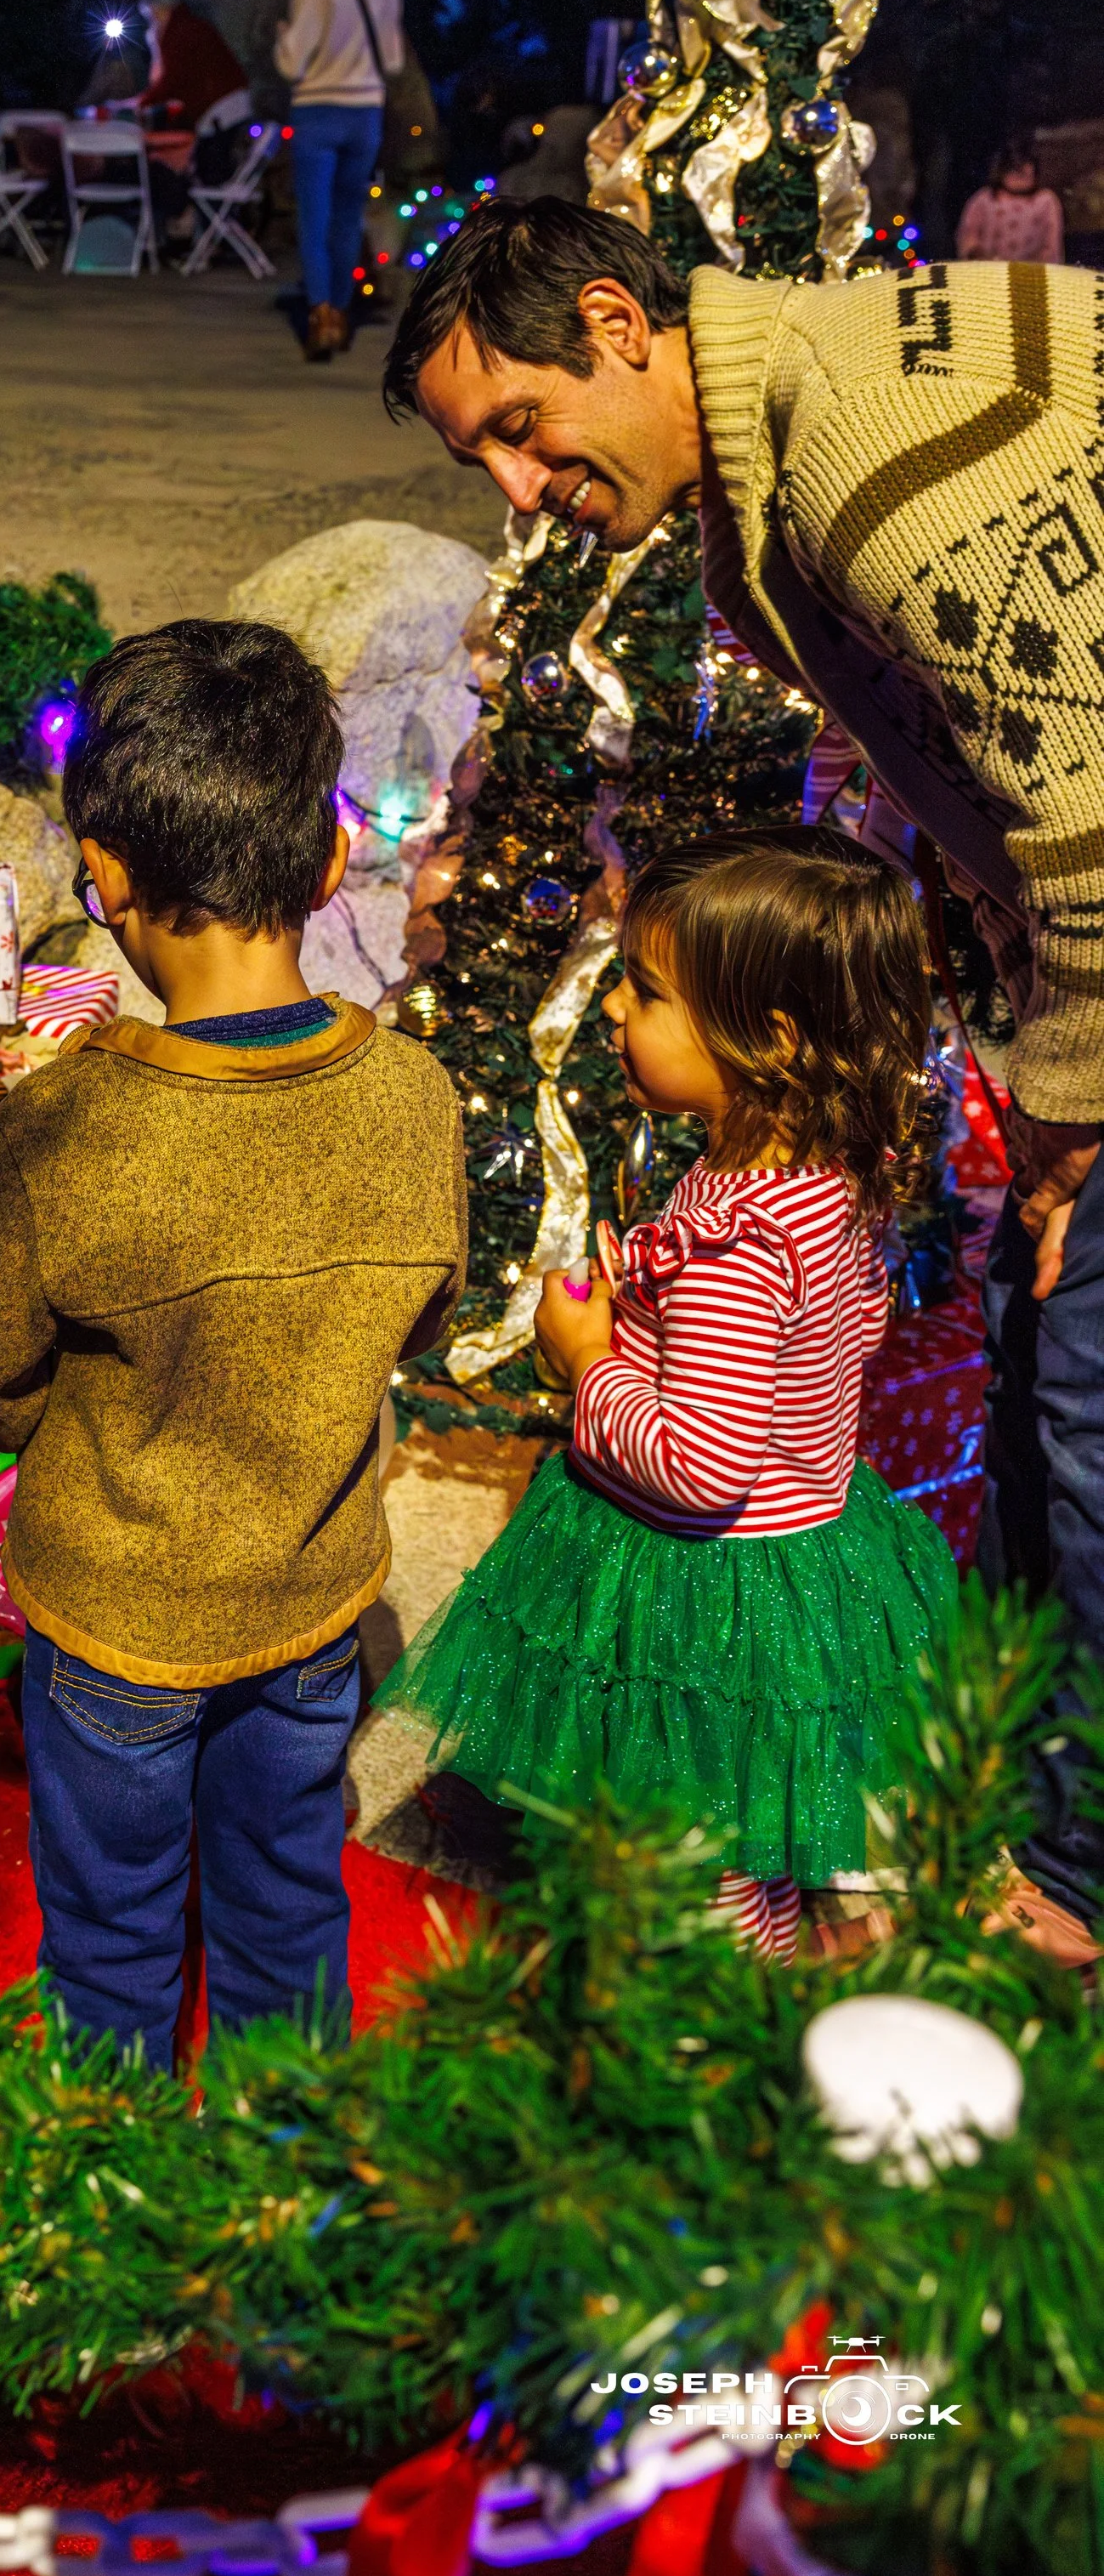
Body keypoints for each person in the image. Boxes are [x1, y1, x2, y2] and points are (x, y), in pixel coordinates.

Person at [384, 193, 1104, 1967]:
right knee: (1049, 1385)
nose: (512, 487)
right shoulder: (783, 449)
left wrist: (1067, 1117)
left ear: (620, 324)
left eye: (517, 424)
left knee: (1083, 1399)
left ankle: (1073, 1877)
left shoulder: (869, 472)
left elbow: (1088, 828)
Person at [0, 621, 467, 2066]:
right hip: (310, 1603)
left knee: (111, 1927)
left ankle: (119, 2209)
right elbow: (427, 1309)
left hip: (117, 1621)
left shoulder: (67, 1123)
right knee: (288, 1901)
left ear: (102, 874)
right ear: (333, 857)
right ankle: (290, 2196)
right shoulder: (413, 1096)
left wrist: (85, 1430)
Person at [390, 829, 956, 1959]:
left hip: (708, 1580)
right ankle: (761, 1959)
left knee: (684, 1865)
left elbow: (698, 1466)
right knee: (743, 1820)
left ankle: (698, 2045)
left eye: (645, 993)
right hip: (800, 1541)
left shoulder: (742, 1245)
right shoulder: (811, 1180)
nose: (612, 1011)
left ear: (771, 1038)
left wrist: (586, 1358)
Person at [273, 0, 404, 363]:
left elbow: (294, 61)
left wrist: (283, 34)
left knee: (315, 216)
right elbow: (392, 62)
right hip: (365, 113)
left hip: (318, 111)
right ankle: (342, 313)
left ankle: (321, 312)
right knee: (348, 217)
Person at [958, 140, 1064, 265]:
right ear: (1002, 171)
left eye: (1027, 175)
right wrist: (980, 256)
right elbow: (969, 235)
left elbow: (1052, 244)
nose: (1021, 179)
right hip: (988, 272)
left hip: (1033, 274)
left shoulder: (1046, 201)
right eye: (1017, 173)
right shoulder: (985, 199)